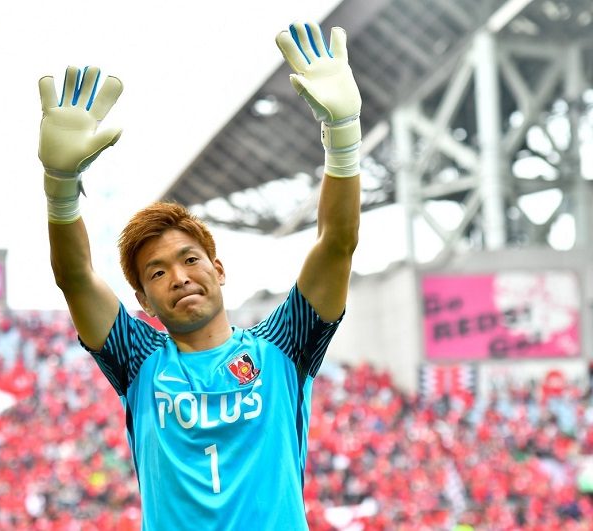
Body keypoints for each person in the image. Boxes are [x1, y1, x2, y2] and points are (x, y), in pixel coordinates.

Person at [37, 21, 361, 530]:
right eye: (158, 272)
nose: (180, 277)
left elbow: (336, 244)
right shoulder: (138, 359)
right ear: (144, 301)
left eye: (190, 260)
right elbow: (75, 277)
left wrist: (342, 139)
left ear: (219, 269)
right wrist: (60, 187)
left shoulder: (282, 349)